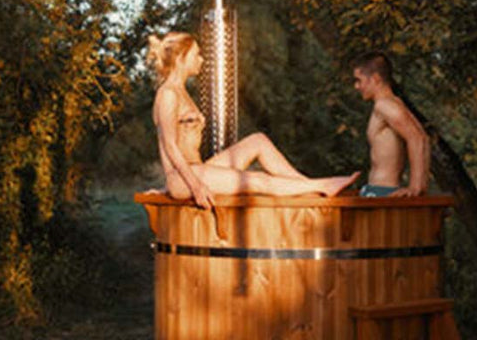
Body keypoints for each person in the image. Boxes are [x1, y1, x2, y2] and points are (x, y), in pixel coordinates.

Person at [147, 32, 359, 208]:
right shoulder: (168, 95)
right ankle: (322, 186)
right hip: (183, 178)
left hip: (196, 169)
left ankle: (309, 186)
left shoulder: (181, 91)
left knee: (258, 141)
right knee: (256, 180)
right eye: (197, 54)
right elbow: (170, 146)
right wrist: (195, 187)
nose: (201, 59)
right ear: (181, 58)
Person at [352, 51, 430, 197]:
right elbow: (423, 138)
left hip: (383, 192)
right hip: (377, 191)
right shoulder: (393, 103)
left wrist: (416, 186)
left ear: (375, 79)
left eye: (359, 80)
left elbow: (417, 138)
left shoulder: (385, 105)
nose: (357, 86)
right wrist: (420, 185)